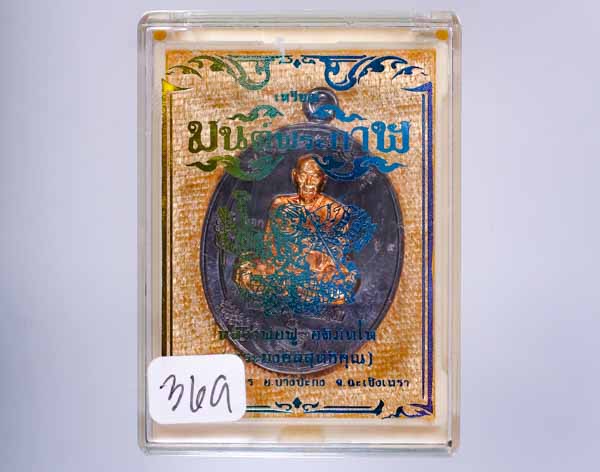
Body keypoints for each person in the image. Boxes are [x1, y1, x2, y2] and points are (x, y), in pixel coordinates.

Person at [233, 154, 374, 314]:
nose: (308, 183)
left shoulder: (335, 212)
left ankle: (289, 291)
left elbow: (337, 256)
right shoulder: (280, 205)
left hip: (314, 274)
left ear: (323, 180)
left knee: (342, 287)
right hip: (284, 268)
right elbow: (269, 245)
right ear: (294, 176)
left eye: (314, 177)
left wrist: (315, 259)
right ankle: (297, 292)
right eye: (303, 176)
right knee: (245, 272)